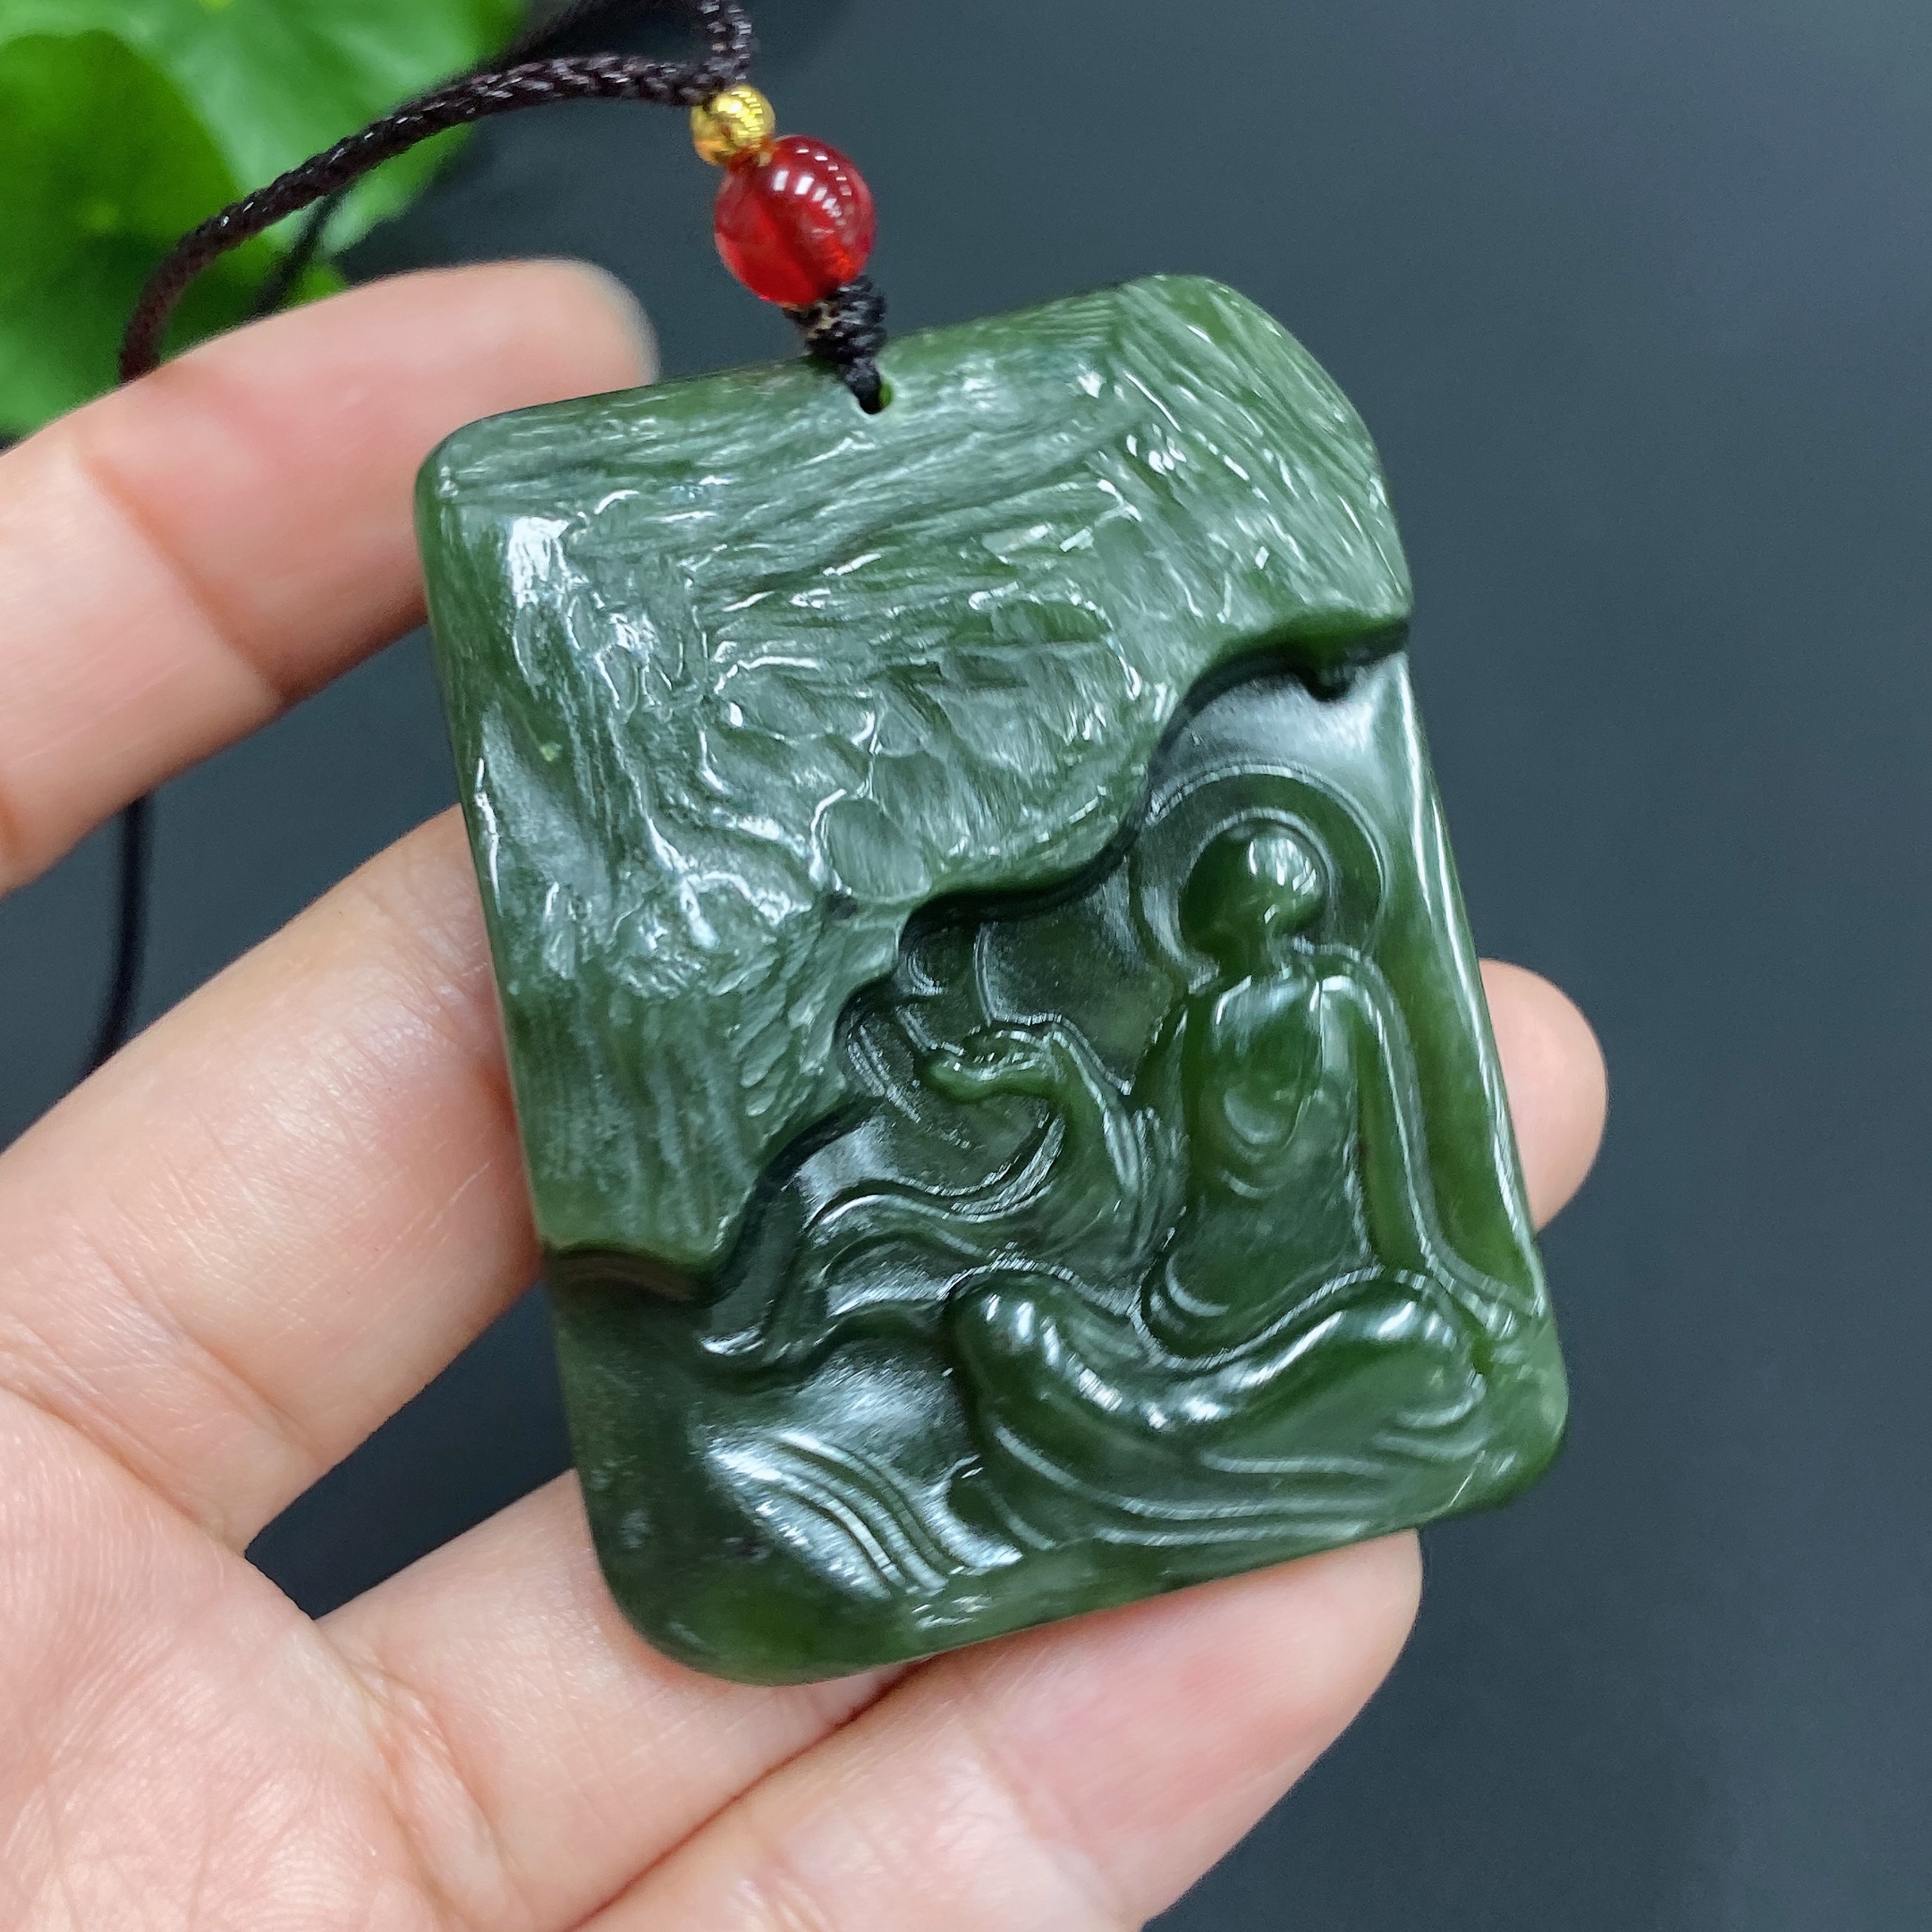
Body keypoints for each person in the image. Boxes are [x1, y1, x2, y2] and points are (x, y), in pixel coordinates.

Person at [0, 264, 1607, 1930]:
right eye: (1238, 908)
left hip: (1309, 1310)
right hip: (1187, 1305)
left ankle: (1176, 1422)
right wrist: (1059, 1092)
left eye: (1276, 898)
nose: (1259, 926)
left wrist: (1419, 1284)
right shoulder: (1197, 1018)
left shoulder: (1341, 1002)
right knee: (1018, 1329)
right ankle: (1154, 1419)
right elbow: (1151, 1176)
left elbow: (1402, 1185)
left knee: (1400, 1340)